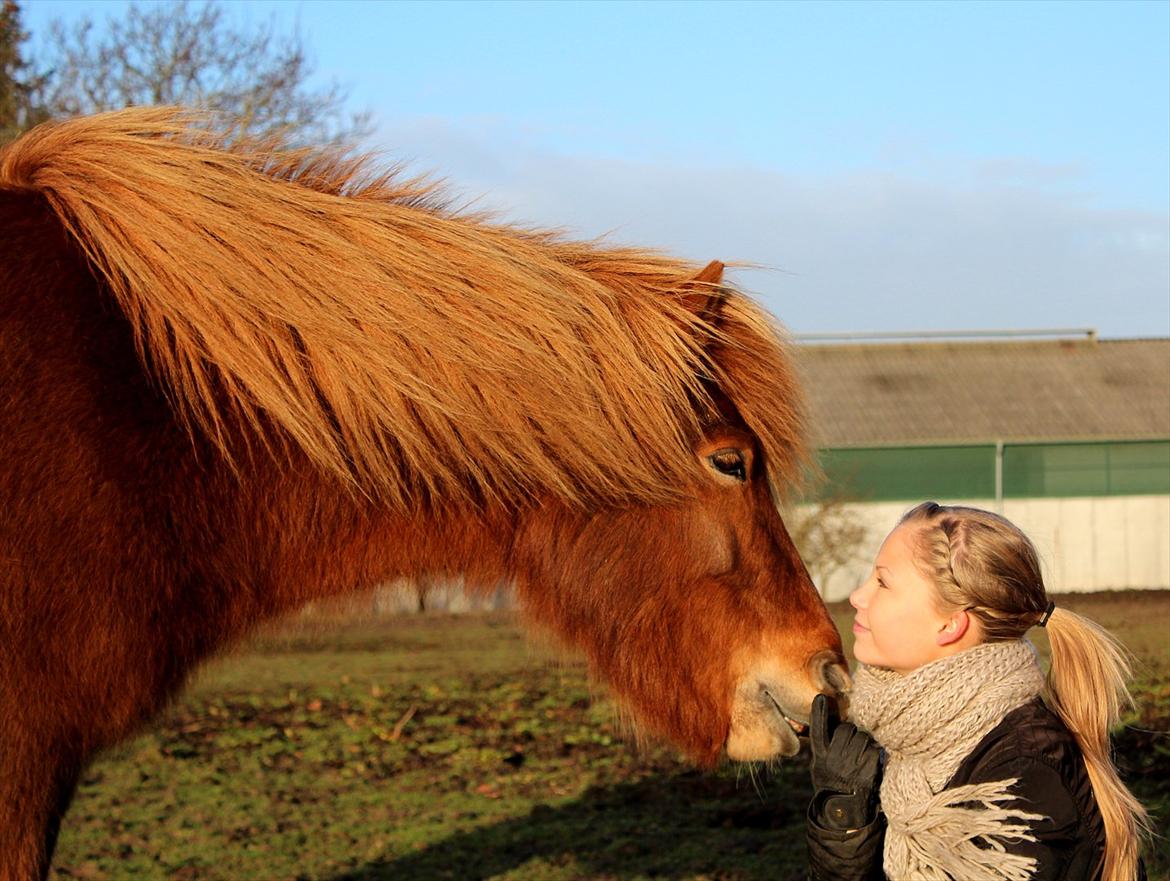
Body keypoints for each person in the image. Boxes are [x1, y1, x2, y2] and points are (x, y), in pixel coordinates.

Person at [806, 501, 1149, 881]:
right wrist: (845, 825)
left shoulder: (1022, 774)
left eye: (883, 582)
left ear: (950, 625)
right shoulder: (913, 743)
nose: (857, 596)